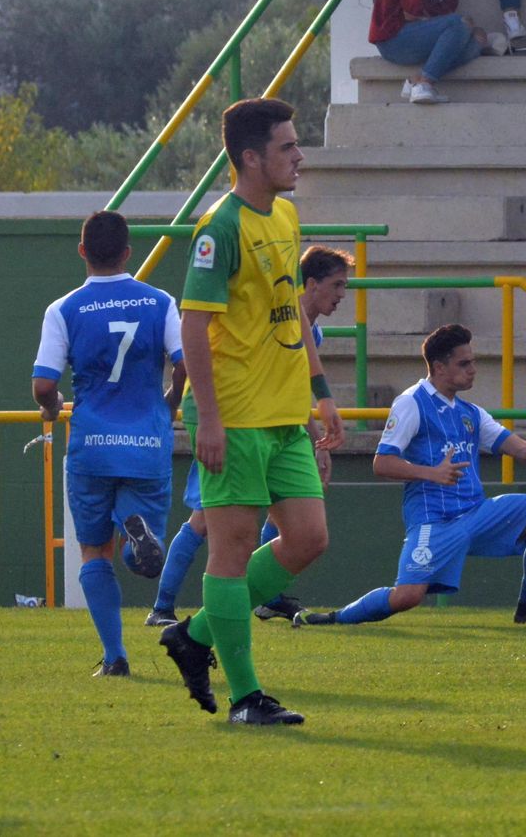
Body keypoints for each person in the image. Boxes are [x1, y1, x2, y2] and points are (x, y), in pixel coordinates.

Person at [156, 97, 344, 726]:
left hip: (285, 414)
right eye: (288, 146)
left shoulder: (285, 215)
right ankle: (245, 698)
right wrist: (207, 419)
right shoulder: (220, 228)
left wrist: (319, 395)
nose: (300, 156)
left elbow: (289, 316)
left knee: (309, 538)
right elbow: (192, 328)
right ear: (251, 158)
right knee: (231, 553)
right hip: (234, 416)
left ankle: (194, 635)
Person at [292, 324, 526, 629]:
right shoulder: (411, 403)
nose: (473, 369)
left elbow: (523, 449)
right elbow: (382, 463)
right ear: (439, 366)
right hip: (435, 520)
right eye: (464, 363)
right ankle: (331, 619)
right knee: (407, 596)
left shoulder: (470, 412)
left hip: (477, 514)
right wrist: (431, 473)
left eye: (472, 362)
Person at [147, 245, 354, 628]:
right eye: (338, 285)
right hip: (237, 423)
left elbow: (293, 388)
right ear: (311, 284)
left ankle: (265, 599)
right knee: (205, 521)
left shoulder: (313, 333)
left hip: (277, 427)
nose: (343, 294)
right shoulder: (271, 315)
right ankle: (163, 607)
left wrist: (315, 440)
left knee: (287, 515)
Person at [30, 209, 185, 677]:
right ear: (128, 253)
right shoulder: (160, 302)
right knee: (143, 556)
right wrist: (172, 399)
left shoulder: (64, 309)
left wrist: (53, 405)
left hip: (92, 445)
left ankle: (115, 657)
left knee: (94, 551)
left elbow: (43, 385)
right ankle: (136, 535)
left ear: (82, 251)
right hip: (146, 442)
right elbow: (186, 361)